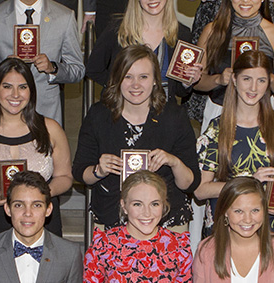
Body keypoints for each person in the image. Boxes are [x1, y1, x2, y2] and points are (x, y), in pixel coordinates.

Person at [73, 45, 200, 230]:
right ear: (116, 79)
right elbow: (79, 172)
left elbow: (191, 183)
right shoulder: (98, 115)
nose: (136, 85)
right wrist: (98, 170)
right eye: (128, 77)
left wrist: (174, 162)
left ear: (156, 80)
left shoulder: (175, 116)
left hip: (166, 221)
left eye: (143, 77)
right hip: (112, 218)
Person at [0, 58, 73, 249]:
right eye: (7, 86)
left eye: (23, 87)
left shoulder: (50, 129)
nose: (15, 94)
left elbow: (65, 176)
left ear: (31, 91)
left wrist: (38, 197)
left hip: (40, 221)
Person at [195, 50, 274, 236]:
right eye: (247, 79)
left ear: (268, 83)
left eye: (261, 80)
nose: (253, 88)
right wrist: (248, 181)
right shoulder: (217, 129)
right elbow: (200, 190)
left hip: (265, 223)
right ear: (234, 80)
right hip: (225, 226)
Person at [194, 0, 274, 129]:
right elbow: (197, 82)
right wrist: (218, 79)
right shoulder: (212, 31)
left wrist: (268, 78)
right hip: (219, 111)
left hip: (261, 113)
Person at [85, 0, 200, 101]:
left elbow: (180, 92)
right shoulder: (118, 29)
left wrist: (187, 82)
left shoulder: (182, 34)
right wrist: (118, 88)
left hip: (164, 112)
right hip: (122, 111)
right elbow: (93, 69)